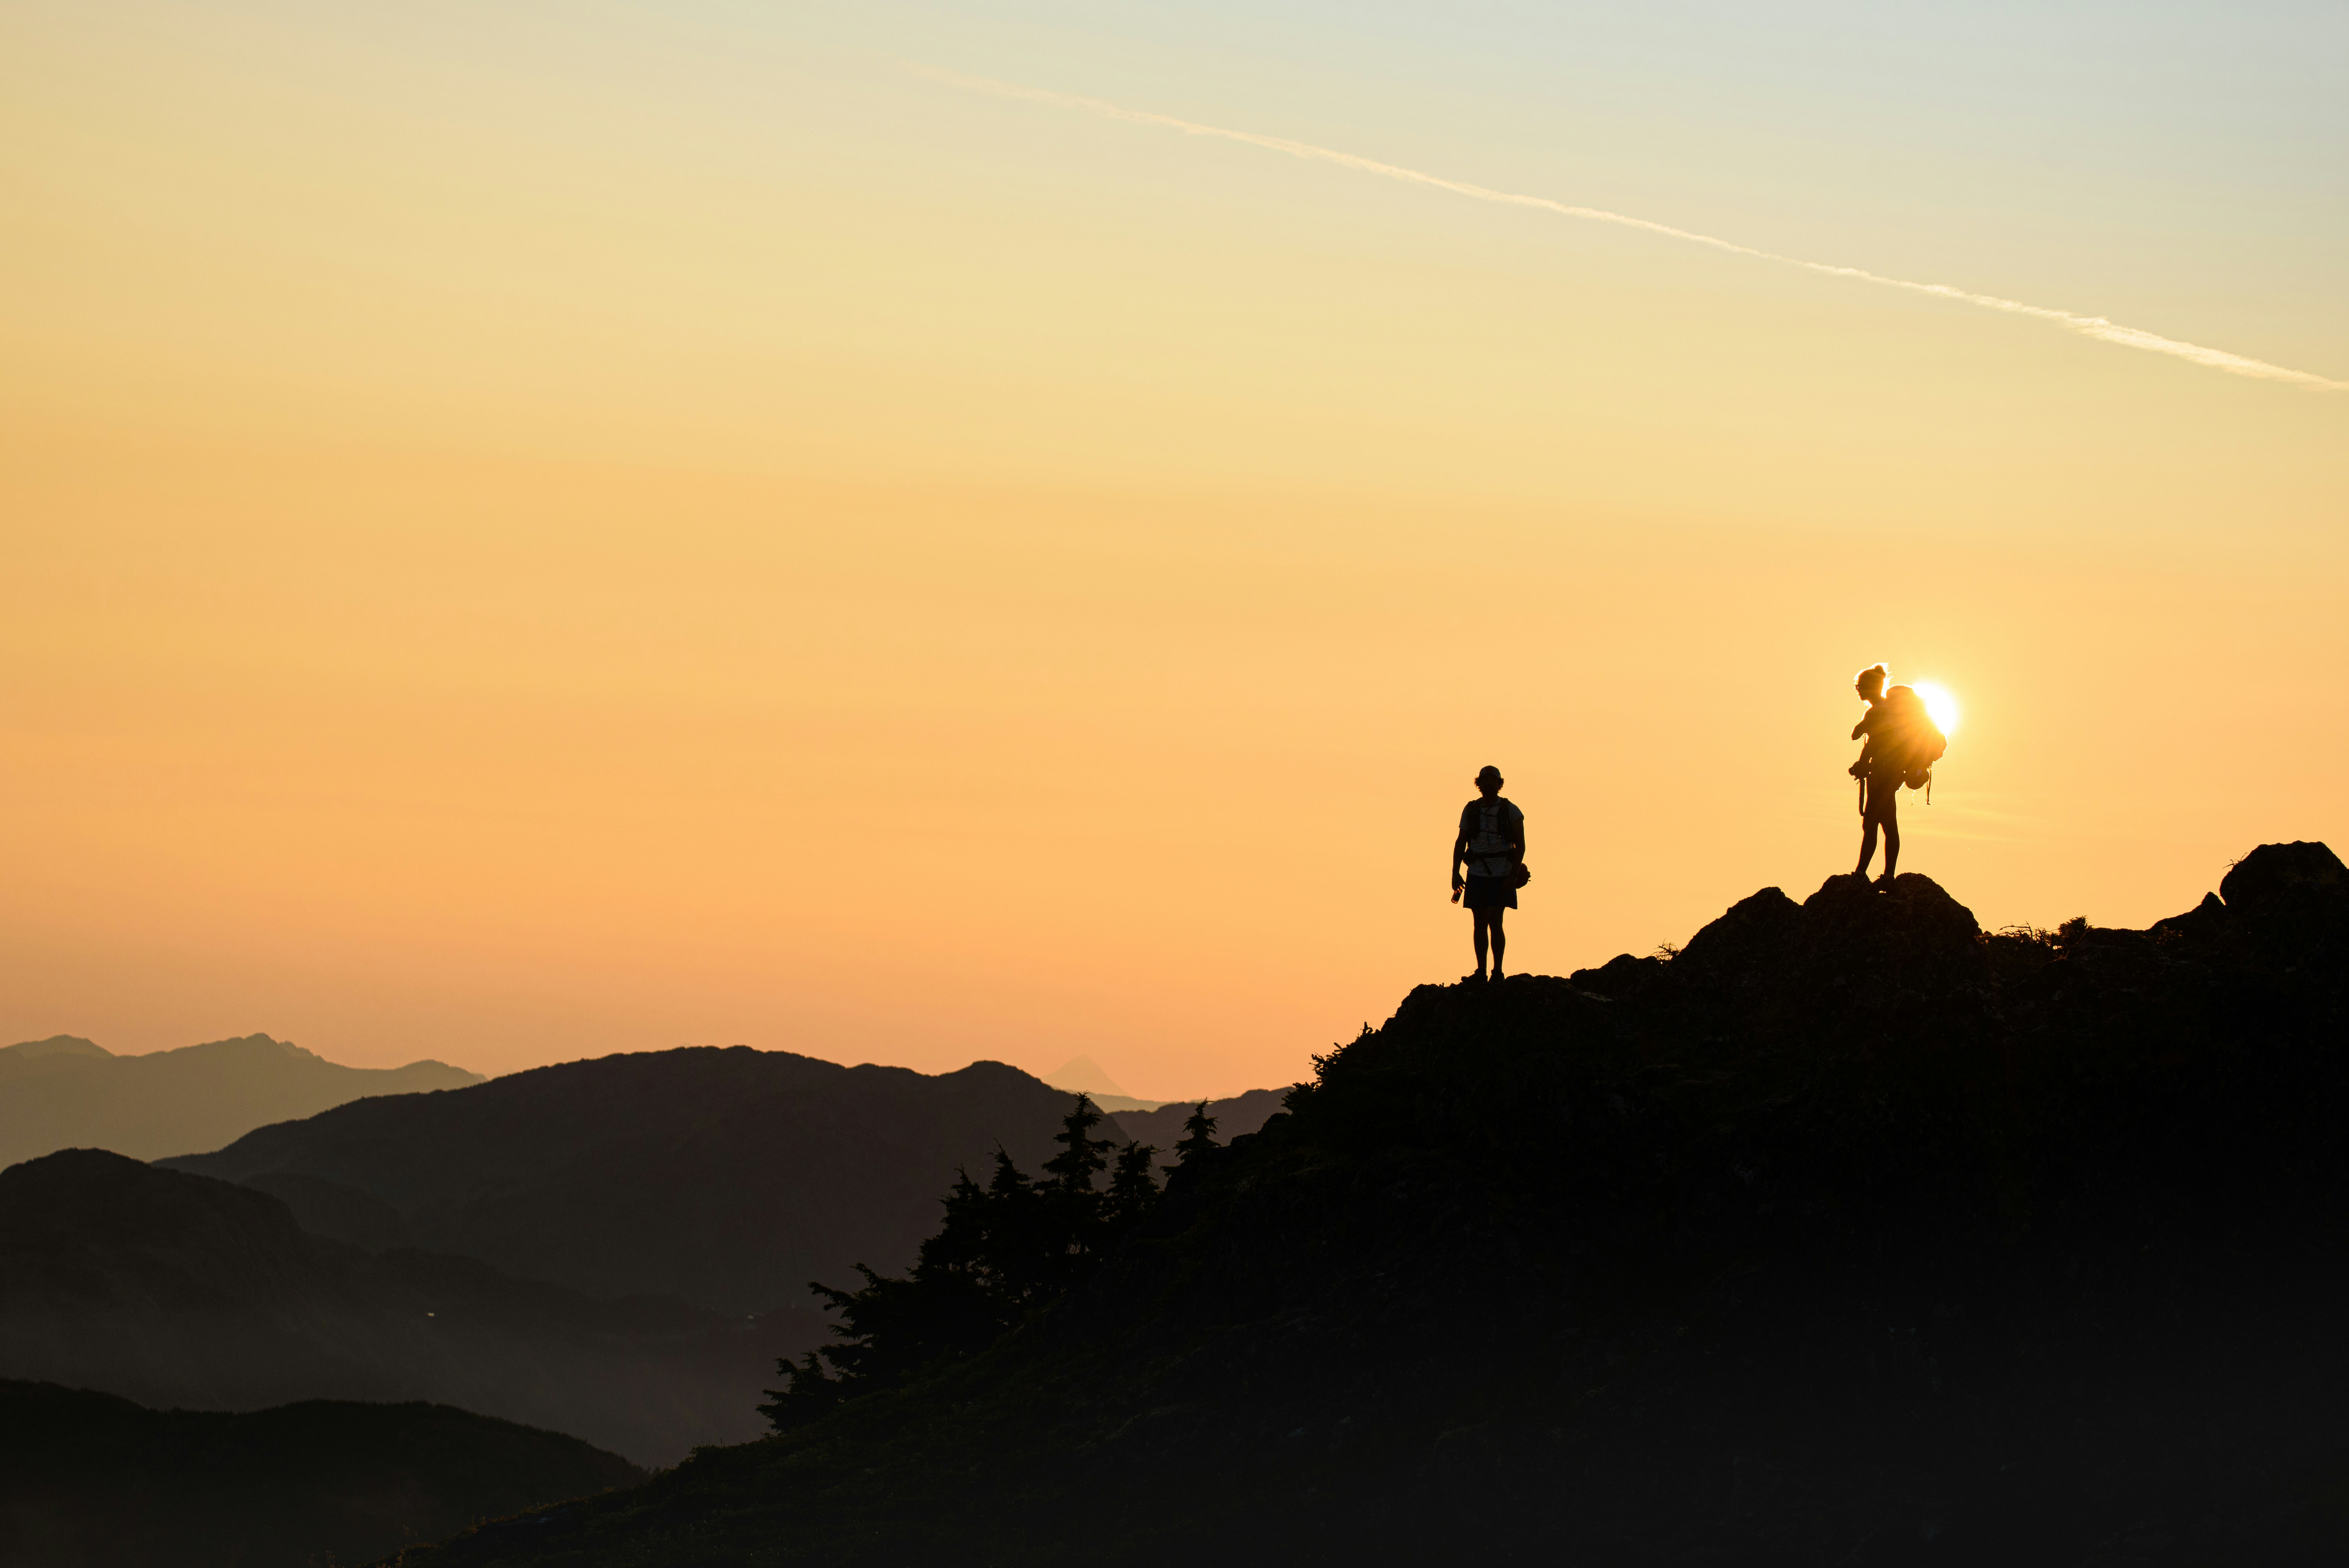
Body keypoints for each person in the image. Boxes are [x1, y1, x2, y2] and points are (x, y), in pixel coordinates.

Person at [1450, 765, 1526, 982]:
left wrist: (1512, 875)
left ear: (1499, 785)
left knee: (1495, 920)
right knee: (1479, 922)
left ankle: (1497, 972)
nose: (1489, 784)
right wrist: (1455, 873)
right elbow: (1460, 842)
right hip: (1477, 872)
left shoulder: (1511, 810)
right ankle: (1482, 972)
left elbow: (1520, 845)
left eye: (1493, 781)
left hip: (1501, 873)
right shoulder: (1471, 810)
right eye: (1486, 781)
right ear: (1479, 784)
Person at [1849, 664, 1902, 884]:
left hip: (1884, 773)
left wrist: (1862, 763)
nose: (1858, 690)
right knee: (1886, 823)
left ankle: (1863, 874)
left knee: (1874, 823)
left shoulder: (1878, 711)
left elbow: (1860, 737)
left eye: (1860, 686)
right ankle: (1884, 874)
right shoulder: (1886, 709)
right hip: (1890, 771)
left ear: (1870, 687)